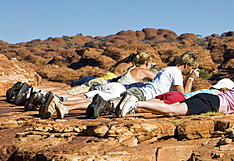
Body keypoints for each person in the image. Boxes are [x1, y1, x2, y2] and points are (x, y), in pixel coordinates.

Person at [39, 51, 200, 119]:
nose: (190, 72)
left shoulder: (167, 70)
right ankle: (64, 106)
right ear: (187, 65)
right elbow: (183, 95)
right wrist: (191, 79)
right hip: (143, 95)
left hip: (140, 91)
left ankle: (63, 105)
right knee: (106, 103)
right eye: (191, 69)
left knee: (101, 101)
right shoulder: (176, 72)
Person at [25, 51, 156, 118]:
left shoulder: (129, 69)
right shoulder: (144, 71)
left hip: (108, 84)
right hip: (118, 90)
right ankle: (63, 107)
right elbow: (160, 81)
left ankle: (52, 100)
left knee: (82, 96)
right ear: (146, 63)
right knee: (93, 103)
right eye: (150, 64)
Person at [114, 67, 234, 119]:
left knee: (170, 107)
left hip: (209, 100)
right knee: (171, 111)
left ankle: (132, 106)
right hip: (211, 103)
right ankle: (135, 103)